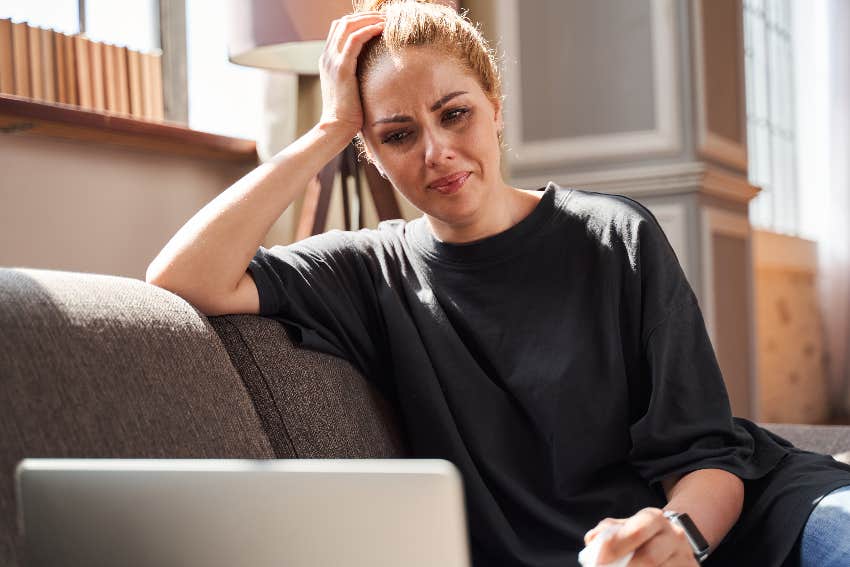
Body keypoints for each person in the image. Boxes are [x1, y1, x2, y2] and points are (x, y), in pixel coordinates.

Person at [146, 1, 850, 565]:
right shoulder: (367, 272)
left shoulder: (615, 236)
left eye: (455, 113)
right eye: (397, 134)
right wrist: (329, 125)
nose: (437, 151)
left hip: (756, 518)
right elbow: (181, 276)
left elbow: (709, 456)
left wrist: (679, 538)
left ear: (495, 107)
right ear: (370, 152)